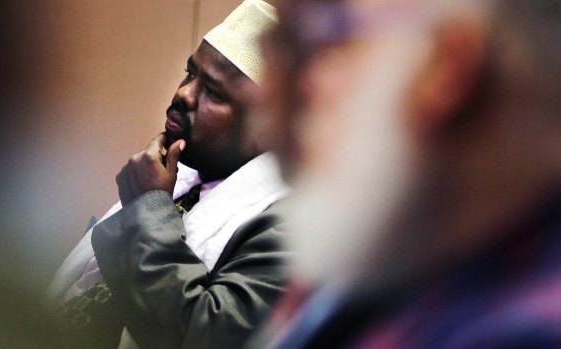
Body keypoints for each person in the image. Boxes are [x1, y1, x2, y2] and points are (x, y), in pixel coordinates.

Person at [250, 0, 561, 348]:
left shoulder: (522, 331)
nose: (309, 83)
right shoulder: (391, 259)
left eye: (327, 32)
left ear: (446, 69)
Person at [47, 1, 291, 348]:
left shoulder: (291, 225)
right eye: (190, 74)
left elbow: (202, 335)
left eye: (214, 92)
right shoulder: (183, 182)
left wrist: (147, 209)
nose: (183, 94)